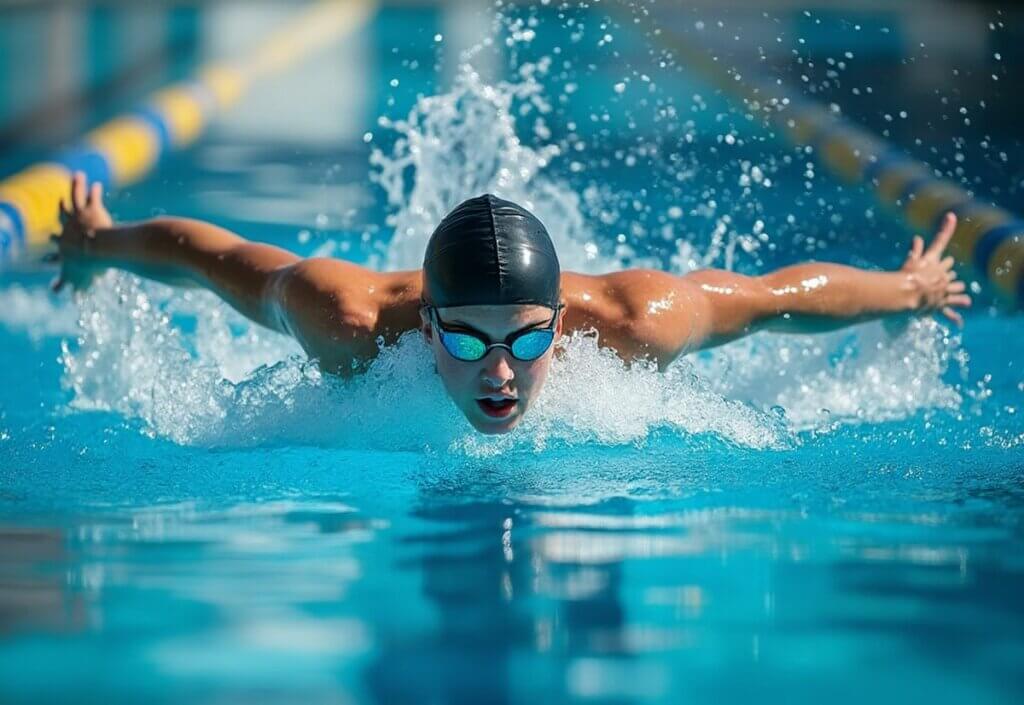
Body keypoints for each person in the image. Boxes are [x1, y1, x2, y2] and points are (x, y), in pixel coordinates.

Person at [49, 172, 970, 434]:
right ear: (429, 326)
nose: (499, 373)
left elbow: (776, 299)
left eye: (528, 344)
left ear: (561, 324)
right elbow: (209, 255)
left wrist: (911, 288)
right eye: (472, 341)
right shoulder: (351, 321)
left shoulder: (636, 323)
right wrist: (98, 245)